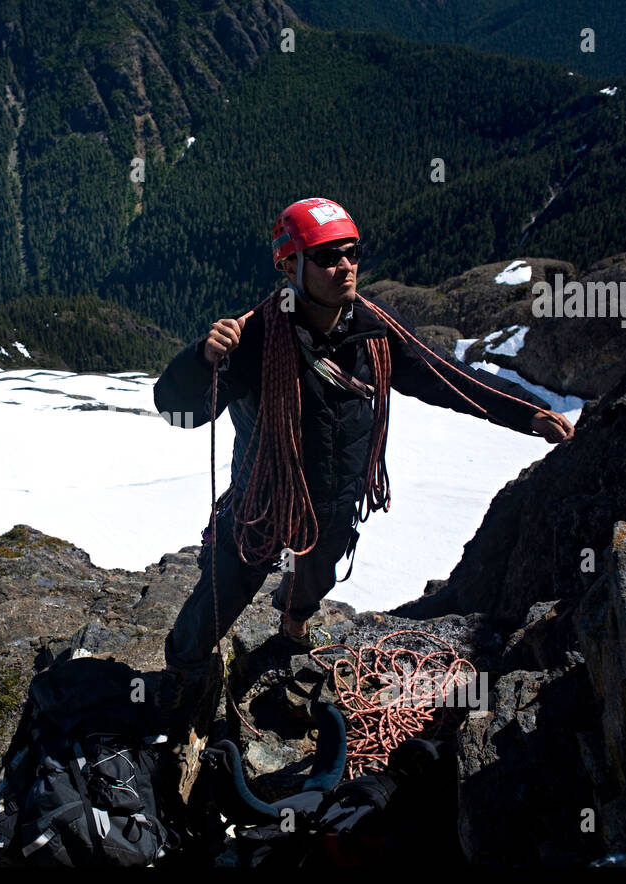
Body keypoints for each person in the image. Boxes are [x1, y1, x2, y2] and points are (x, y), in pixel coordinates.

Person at [151, 197, 574, 729]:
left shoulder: (374, 329)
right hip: (265, 496)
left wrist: (527, 413)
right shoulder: (256, 336)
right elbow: (180, 411)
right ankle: (183, 669)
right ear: (290, 267)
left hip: (336, 493)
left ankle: (295, 621)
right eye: (327, 256)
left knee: (318, 572)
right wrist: (200, 359)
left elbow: (445, 378)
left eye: (351, 253)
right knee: (227, 587)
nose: (345, 266)